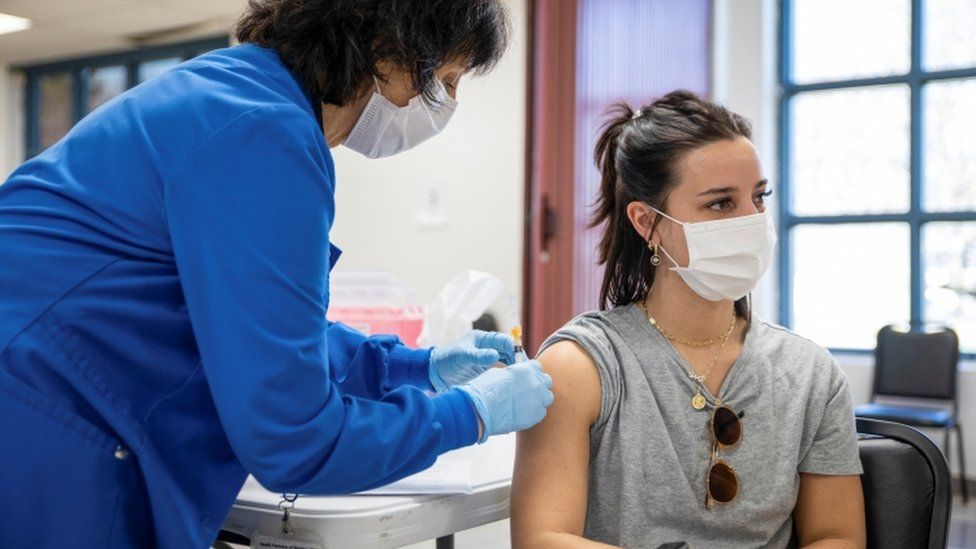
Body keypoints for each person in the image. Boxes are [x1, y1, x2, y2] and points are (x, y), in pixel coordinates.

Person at [0, 1, 553, 547]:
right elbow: (293, 442)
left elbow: (262, 332)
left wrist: (417, 367)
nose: (447, 104)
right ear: (388, 49)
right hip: (43, 420)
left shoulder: (236, 93)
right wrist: (470, 414)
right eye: (448, 79)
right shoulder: (261, 134)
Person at [510, 91, 865, 548]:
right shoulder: (580, 367)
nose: (752, 219)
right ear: (647, 223)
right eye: (721, 204)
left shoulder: (810, 374)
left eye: (759, 197)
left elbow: (837, 536)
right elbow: (541, 539)